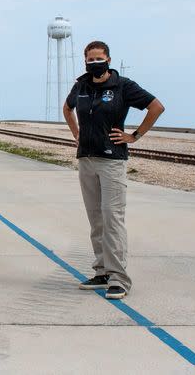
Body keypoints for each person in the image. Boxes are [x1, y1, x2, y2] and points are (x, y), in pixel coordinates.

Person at [63, 40, 164, 299]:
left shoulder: (123, 86)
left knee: (112, 219)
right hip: (86, 159)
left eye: (99, 59)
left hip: (112, 161)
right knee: (96, 220)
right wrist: (77, 133)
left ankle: (119, 277)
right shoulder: (81, 85)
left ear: (108, 60)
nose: (94, 63)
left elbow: (156, 107)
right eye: (90, 59)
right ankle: (102, 271)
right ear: (85, 61)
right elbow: (68, 108)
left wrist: (135, 135)